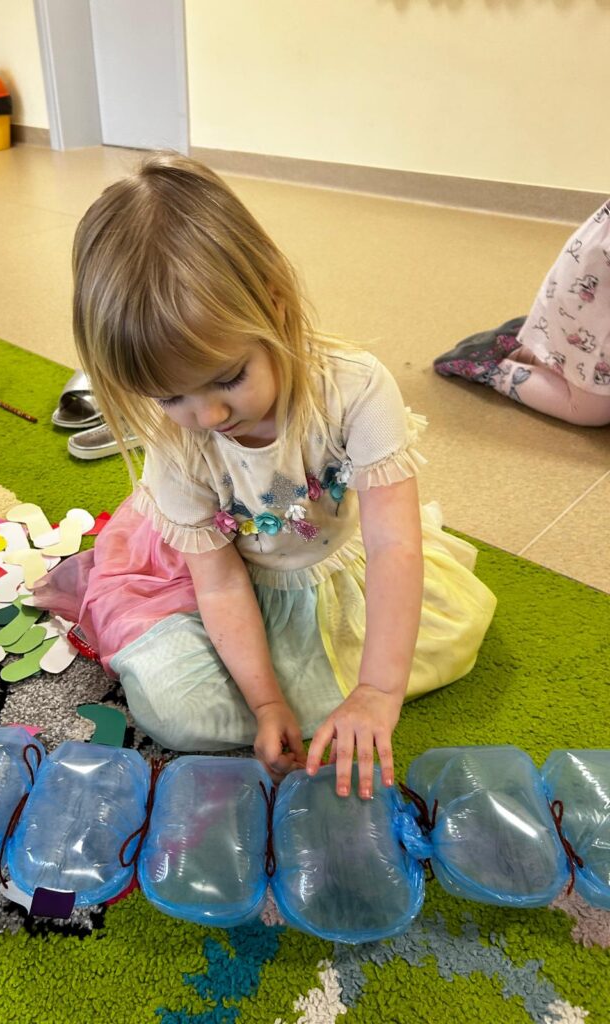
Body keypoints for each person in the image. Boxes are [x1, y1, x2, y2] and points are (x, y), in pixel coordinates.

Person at [33, 152, 496, 799]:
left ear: (275, 309)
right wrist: (267, 702)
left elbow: (395, 545)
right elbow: (220, 583)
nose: (209, 416)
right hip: (221, 586)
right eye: (170, 397)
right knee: (175, 711)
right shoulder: (178, 441)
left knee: (449, 642)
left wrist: (376, 691)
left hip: (338, 565)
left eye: (228, 378)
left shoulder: (356, 388)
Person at [434, 199, 610, 426]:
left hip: (592, 296)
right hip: (593, 307)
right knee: (589, 411)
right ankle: (489, 366)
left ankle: (533, 347)